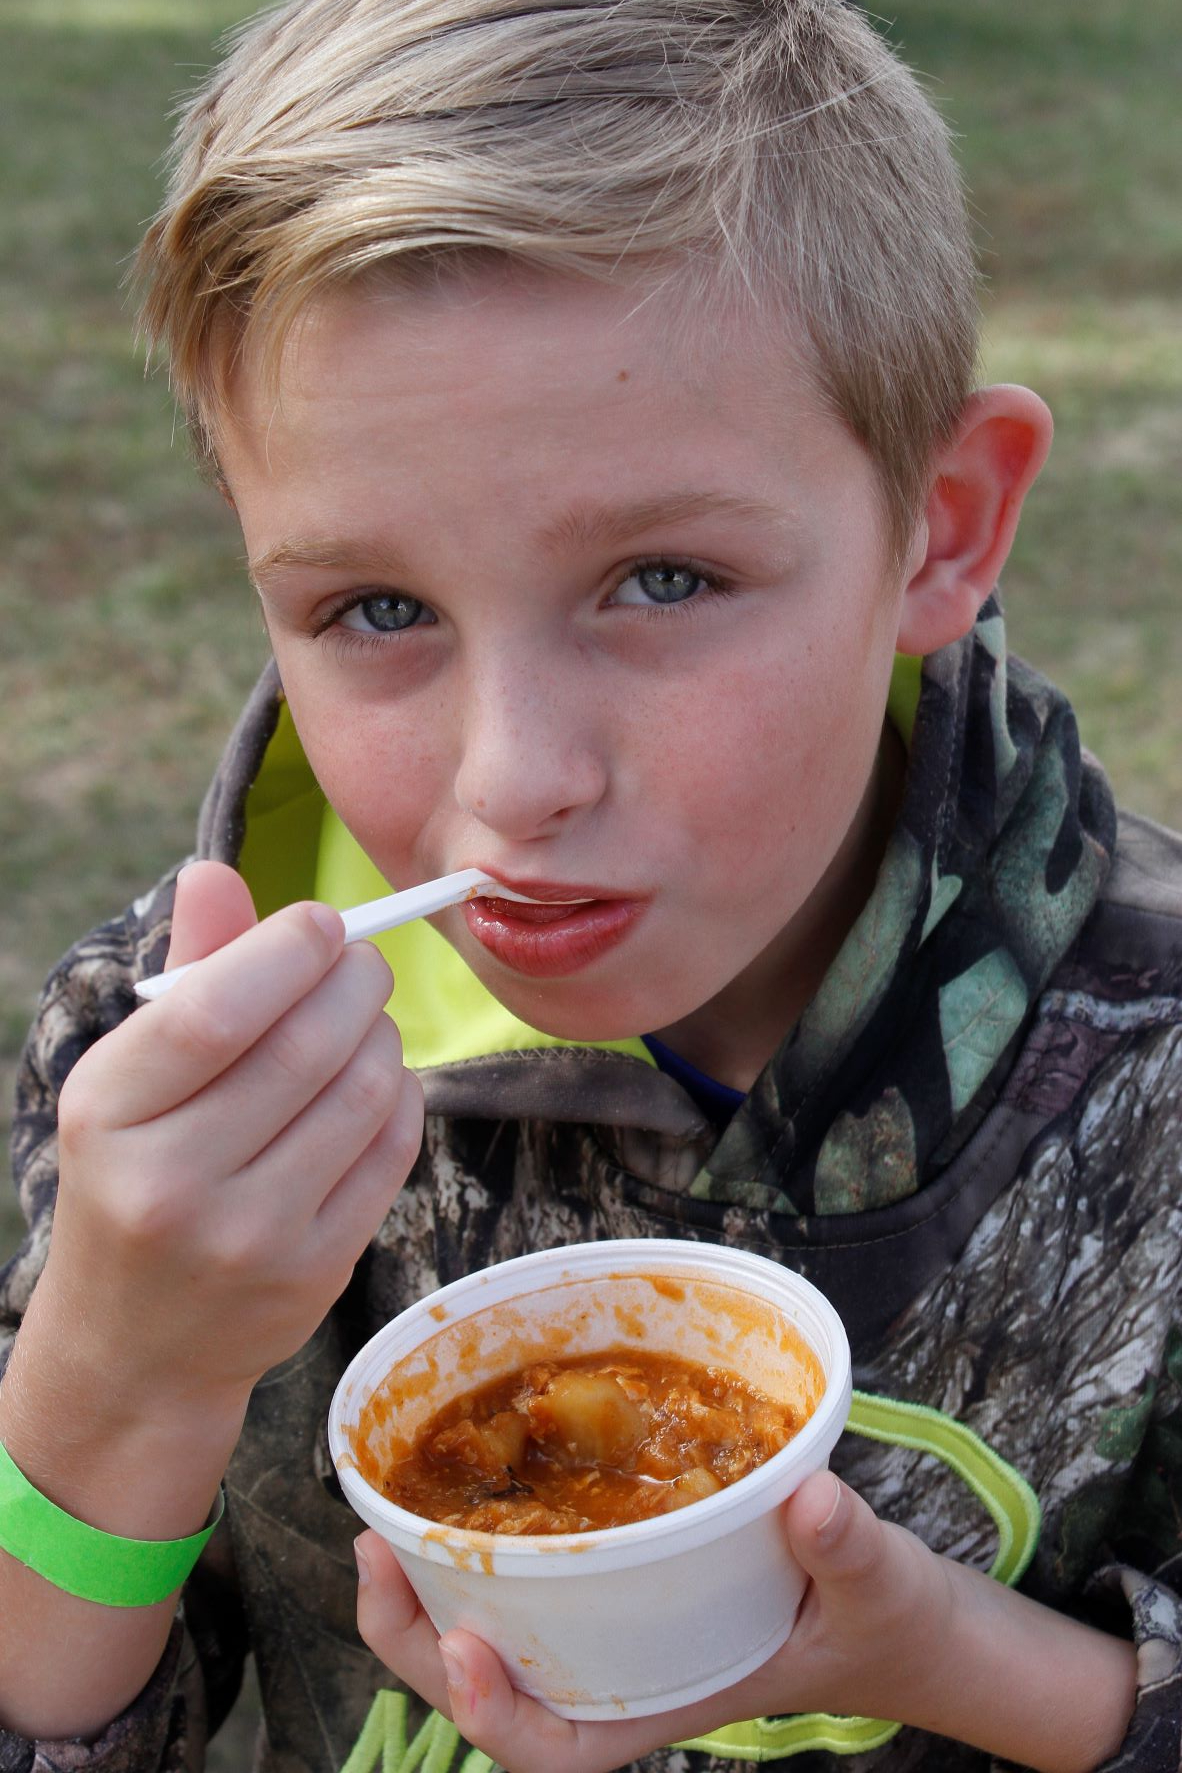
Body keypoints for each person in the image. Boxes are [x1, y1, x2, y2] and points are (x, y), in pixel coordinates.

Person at [1, 0, 1180, 1768]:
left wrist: (951, 1652)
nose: (512, 777)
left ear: (938, 522)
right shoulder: (166, 1093)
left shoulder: (1151, 1071)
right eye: (375, 610)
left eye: (661, 578)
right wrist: (114, 1382)